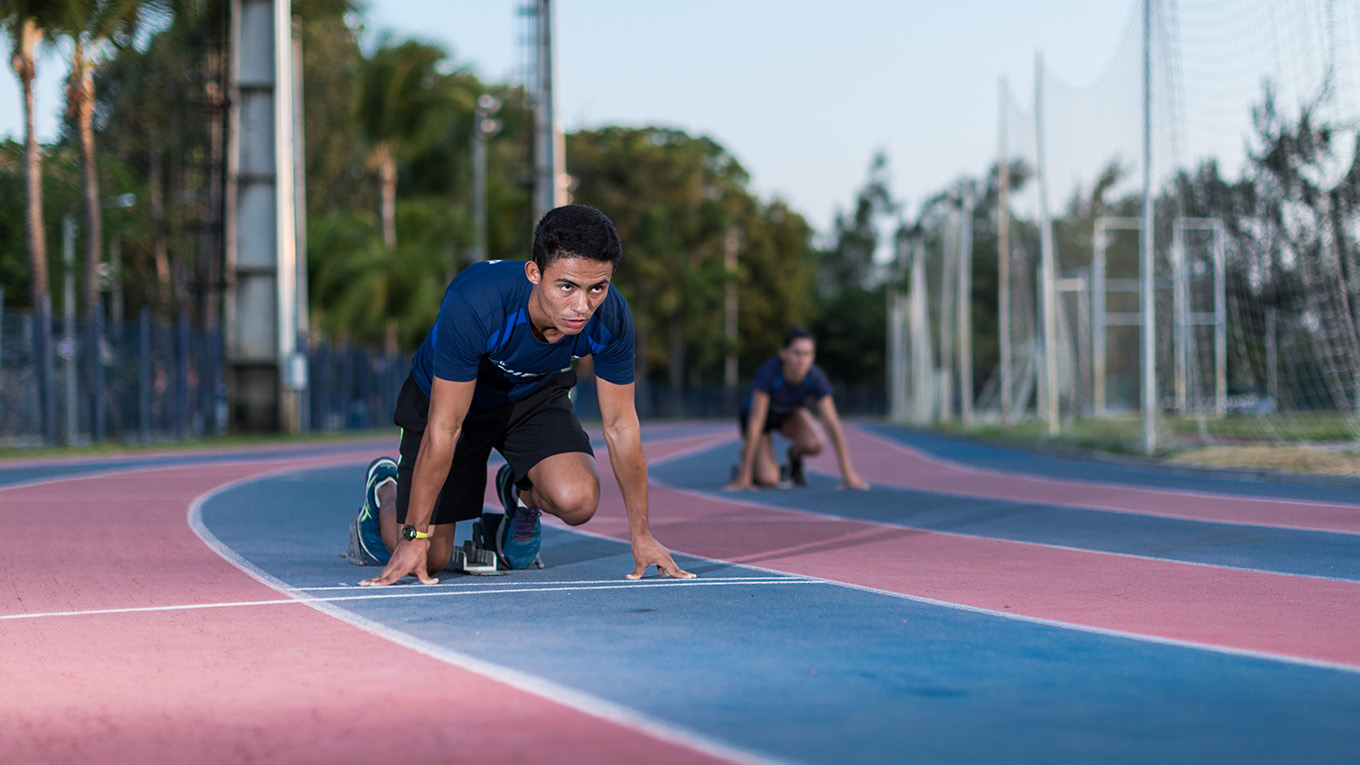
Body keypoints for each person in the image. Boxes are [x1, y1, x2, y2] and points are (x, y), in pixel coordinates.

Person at [347, 204, 695, 585]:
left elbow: (621, 426)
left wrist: (641, 533)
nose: (582, 306)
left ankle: (519, 492)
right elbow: (445, 428)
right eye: (567, 286)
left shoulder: (610, 317)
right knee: (429, 557)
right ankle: (385, 489)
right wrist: (415, 535)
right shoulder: (476, 302)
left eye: (597, 287)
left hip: (532, 395)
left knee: (578, 500)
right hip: (448, 402)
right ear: (534, 273)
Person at [724, 326, 870, 491]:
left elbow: (832, 423)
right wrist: (745, 475)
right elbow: (756, 420)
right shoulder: (769, 372)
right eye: (797, 353)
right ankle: (745, 464)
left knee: (815, 443)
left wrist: (847, 473)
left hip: (786, 416)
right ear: (783, 353)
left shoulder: (815, 377)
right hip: (758, 420)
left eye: (808, 354)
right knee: (768, 479)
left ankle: (794, 458)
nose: (802, 360)